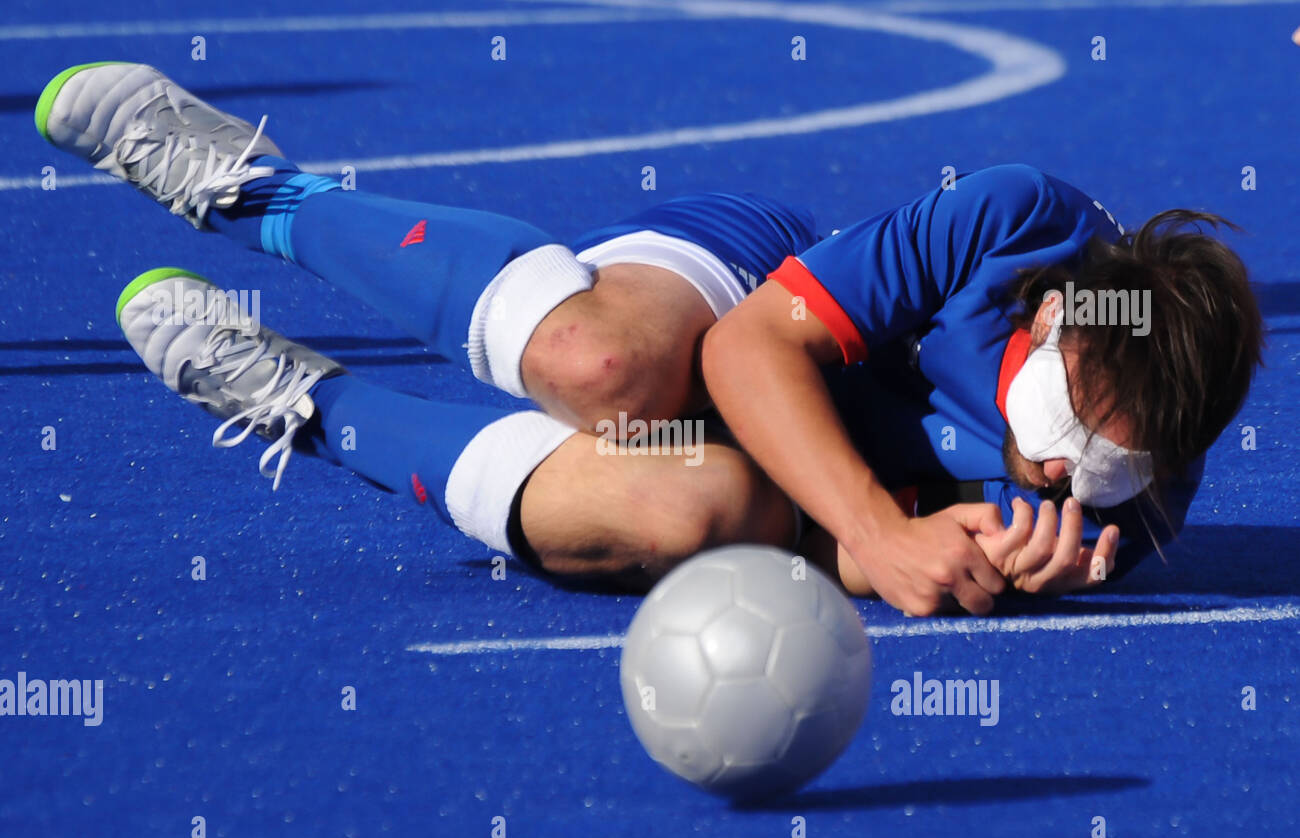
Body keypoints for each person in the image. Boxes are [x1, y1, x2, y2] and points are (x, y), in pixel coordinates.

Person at [37, 63, 1263, 614]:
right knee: (604, 370)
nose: (1055, 478)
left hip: (797, 464)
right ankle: (259, 194)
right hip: (755, 300)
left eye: (1103, 474)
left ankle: (307, 406)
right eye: (1053, 434)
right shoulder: (1017, 223)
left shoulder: (1130, 502)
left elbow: (854, 556)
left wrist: (964, 576)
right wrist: (884, 528)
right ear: (1055, 316)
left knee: (688, 512)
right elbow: (746, 357)